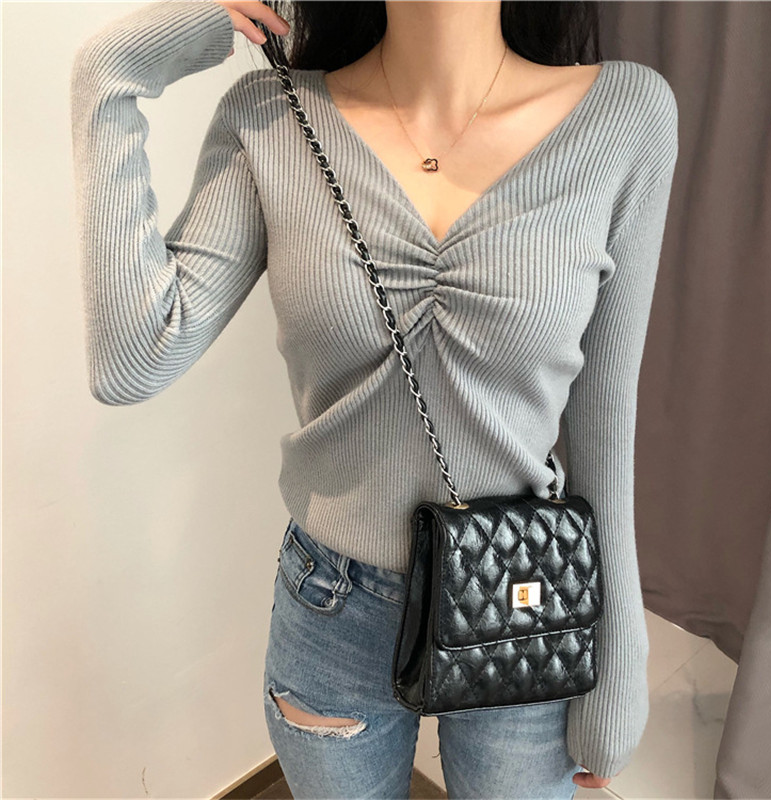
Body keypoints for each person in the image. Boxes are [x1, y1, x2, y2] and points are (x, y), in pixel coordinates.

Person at [70, 1, 678, 797]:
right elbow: (132, 359)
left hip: (524, 593)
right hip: (334, 607)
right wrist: (110, 74)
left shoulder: (625, 117)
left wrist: (618, 659)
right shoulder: (271, 118)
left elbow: (605, 420)